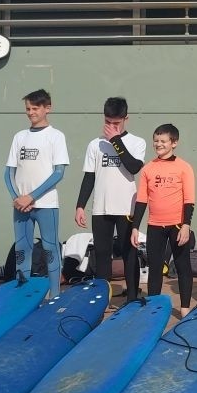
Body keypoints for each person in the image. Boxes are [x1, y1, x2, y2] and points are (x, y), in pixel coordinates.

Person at [74, 97, 146, 294]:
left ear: (126, 119)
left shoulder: (137, 142)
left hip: (126, 207)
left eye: (116, 123)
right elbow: (89, 177)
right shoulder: (94, 145)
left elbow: (133, 167)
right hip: (101, 207)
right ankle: (102, 296)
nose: (111, 127)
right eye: (108, 122)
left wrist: (115, 140)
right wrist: (80, 205)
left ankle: (132, 295)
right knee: (102, 253)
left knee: (129, 253)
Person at [4, 88, 69, 300]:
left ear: (47, 108)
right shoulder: (19, 136)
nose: (31, 112)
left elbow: (58, 173)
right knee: (22, 248)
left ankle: (55, 295)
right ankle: (23, 296)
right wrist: (17, 198)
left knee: (50, 248)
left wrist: (30, 196)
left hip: (46, 204)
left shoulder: (56, 136)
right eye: (28, 109)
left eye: (35, 108)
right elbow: (8, 173)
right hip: (21, 206)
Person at [129, 123, 195, 313]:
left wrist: (186, 225)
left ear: (174, 143)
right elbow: (141, 200)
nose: (159, 144)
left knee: (183, 266)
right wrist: (135, 227)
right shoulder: (148, 168)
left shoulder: (184, 167)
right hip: (155, 225)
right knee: (155, 268)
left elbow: (189, 199)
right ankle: (154, 308)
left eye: (163, 141)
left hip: (177, 225)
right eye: (156, 140)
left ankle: (184, 308)